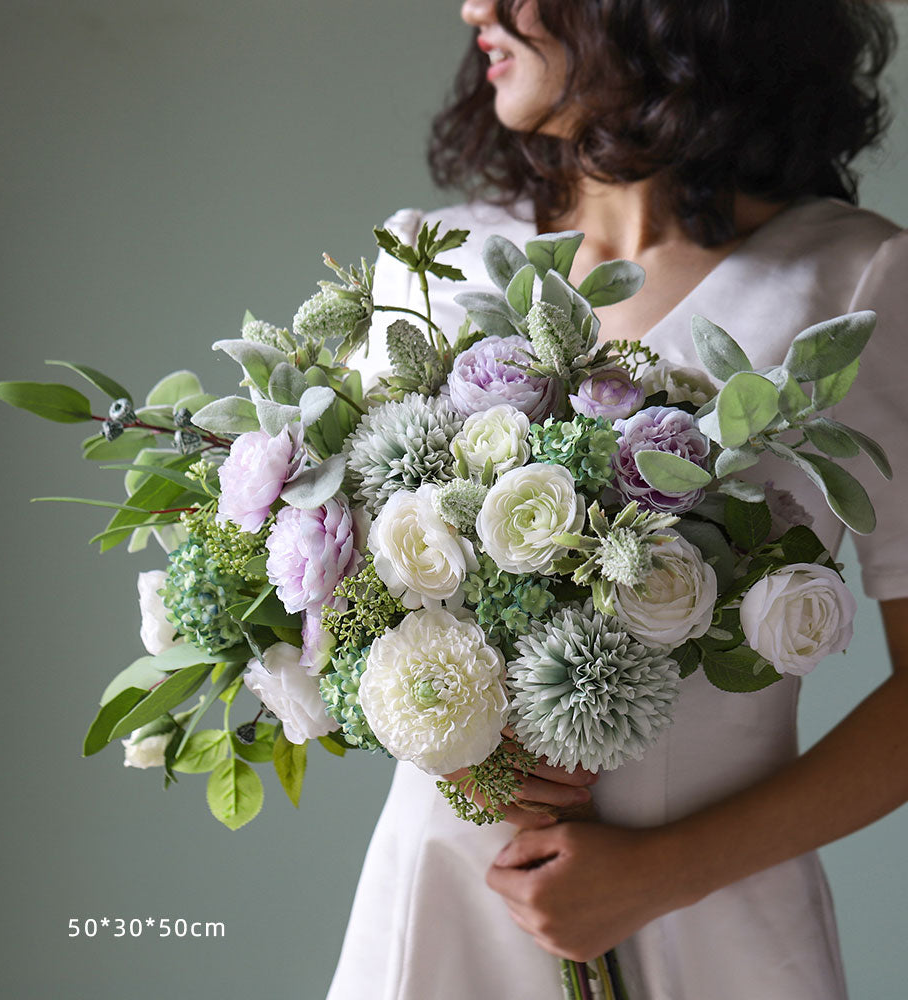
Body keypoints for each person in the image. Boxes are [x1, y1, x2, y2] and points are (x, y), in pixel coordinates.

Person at [328, 2, 908, 997]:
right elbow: (325, 594)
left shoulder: (851, 280)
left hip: (712, 925)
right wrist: (438, 740)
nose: (474, 6)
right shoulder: (428, 262)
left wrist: (659, 875)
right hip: (442, 911)